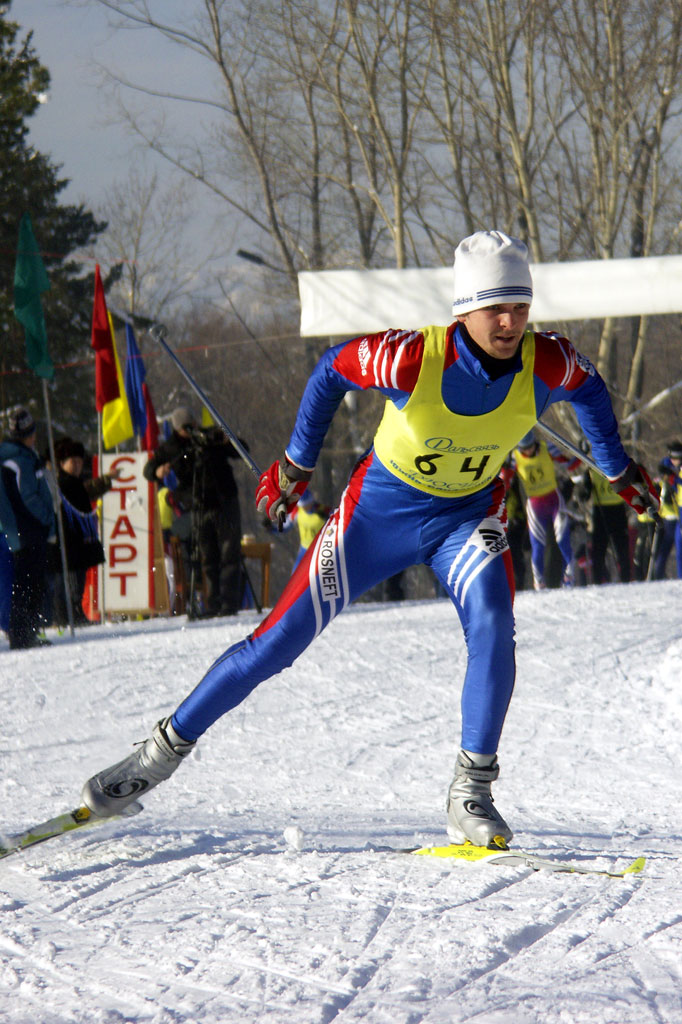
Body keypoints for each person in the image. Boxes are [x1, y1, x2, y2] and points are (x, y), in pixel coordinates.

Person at [80, 230, 658, 850]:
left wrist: (618, 468)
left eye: (521, 306)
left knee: (493, 619)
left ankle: (472, 791)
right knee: (276, 643)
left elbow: (592, 389)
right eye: (497, 308)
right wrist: (297, 465)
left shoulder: (547, 361)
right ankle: (156, 756)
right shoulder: (413, 357)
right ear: (465, 308)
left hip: (463, 521)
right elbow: (330, 371)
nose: (512, 322)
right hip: (373, 521)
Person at [143, 408, 246, 618]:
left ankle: (229, 603)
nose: (192, 431)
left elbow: (242, 450)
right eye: (186, 428)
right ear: (178, 429)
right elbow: (148, 469)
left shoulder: (210, 437)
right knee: (208, 556)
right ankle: (213, 603)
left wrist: (227, 441)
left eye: (194, 426)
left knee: (230, 553)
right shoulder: (171, 448)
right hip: (198, 505)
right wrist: (158, 471)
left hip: (224, 501)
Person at [0, 408, 55, 649]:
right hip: (27, 529)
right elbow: (28, 496)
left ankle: (24, 633)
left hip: (20, 529)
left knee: (26, 584)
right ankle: (23, 635)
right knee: (29, 584)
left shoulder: (17, 454)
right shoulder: (19, 458)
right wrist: (45, 517)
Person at [51, 437, 117, 627]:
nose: (78, 465)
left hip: (78, 543)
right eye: (73, 461)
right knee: (70, 583)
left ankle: (73, 614)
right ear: (63, 463)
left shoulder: (74, 483)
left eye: (80, 461)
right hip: (70, 543)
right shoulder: (63, 484)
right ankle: (69, 616)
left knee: (77, 583)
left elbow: (88, 492)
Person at [511, 431, 580, 590]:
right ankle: (539, 581)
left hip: (554, 500)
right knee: (538, 545)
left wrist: (582, 452)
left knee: (562, 538)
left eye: (530, 447)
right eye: (524, 449)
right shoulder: (515, 457)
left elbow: (569, 465)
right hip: (535, 506)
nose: (527, 451)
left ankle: (569, 576)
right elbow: (504, 477)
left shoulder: (547, 448)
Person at [577, 453, 632, 585]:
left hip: (617, 510)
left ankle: (626, 580)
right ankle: (597, 581)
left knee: (621, 548)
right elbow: (585, 492)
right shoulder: (592, 468)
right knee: (599, 549)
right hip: (600, 512)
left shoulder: (620, 464)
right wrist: (584, 491)